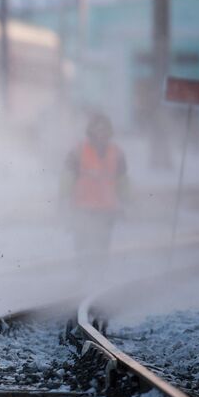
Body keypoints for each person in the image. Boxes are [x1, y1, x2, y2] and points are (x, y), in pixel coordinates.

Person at [62, 113, 128, 280]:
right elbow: (67, 178)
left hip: (106, 210)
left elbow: (123, 181)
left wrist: (128, 201)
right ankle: (83, 278)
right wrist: (63, 200)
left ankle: (97, 279)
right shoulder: (78, 152)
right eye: (97, 130)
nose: (101, 134)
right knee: (82, 247)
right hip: (82, 208)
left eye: (104, 130)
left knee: (101, 248)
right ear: (90, 132)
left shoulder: (117, 153)